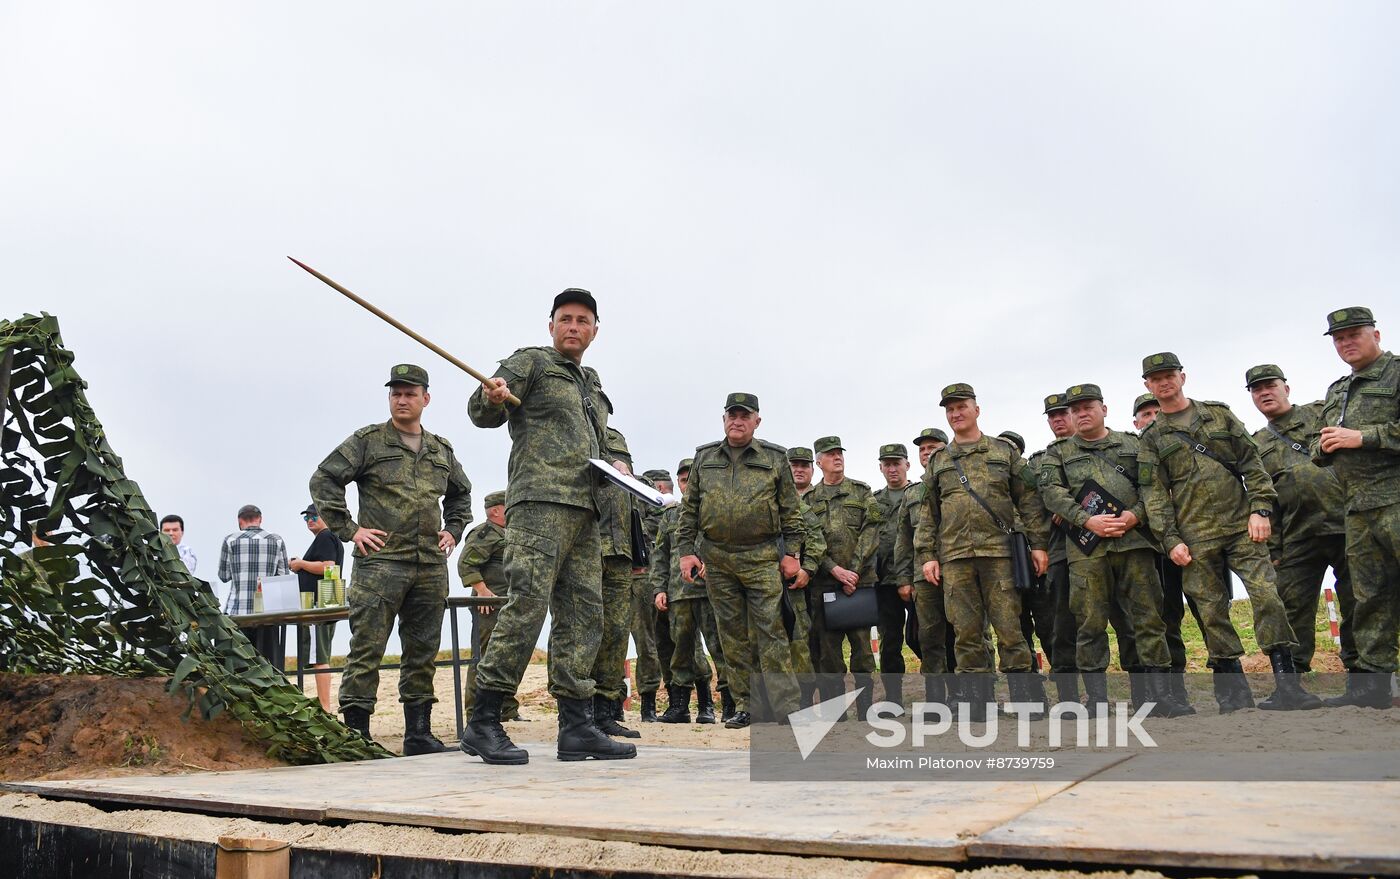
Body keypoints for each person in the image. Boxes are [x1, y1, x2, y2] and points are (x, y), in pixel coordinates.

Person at [462, 288, 636, 764]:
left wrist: (618, 460)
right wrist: (491, 395)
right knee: (527, 607)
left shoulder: (590, 382)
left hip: (587, 510)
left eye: (583, 320)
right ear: (551, 325)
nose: (573, 326)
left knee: (584, 614)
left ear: (595, 330)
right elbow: (483, 409)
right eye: (565, 318)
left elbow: (602, 437)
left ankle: (577, 726)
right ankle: (484, 720)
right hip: (540, 503)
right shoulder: (532, 362)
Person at [1137, 352, 1319, 712]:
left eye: (1169, 375)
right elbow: (1154, 496)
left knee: (1268, 596)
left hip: (1242, 528)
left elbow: (1252, 465)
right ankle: (1233, 694)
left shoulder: (1217, 415)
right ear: (1148, 385)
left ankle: (1287, 684)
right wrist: (1170, 540)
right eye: (1155, 378)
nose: (1164, 382)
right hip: (1194, 537)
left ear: (1182, 377)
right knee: (1211, 612)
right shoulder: (1152, 438)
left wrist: (1261, 509)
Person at [310, 364, 473, 754]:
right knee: (366, 649)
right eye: (396, 393)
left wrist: (454, 529)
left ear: (425, 399)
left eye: (410, 393)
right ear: (389, 398)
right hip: (380, 563)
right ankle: (356, 736)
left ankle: (418, 734)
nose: (402, 399)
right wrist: (349, 529)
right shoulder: (368, 442)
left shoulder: (441, 450)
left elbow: (461, 494)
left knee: (423, 652)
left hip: (430, 566)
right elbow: (324, 479)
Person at [1038, 384, 1192, 717]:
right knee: (1090, 624)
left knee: (1147, 620)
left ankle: (1155, 697)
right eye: (1075, 409)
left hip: (1134, 545)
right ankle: (1095, 700)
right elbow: (1052, 494)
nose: (1082, 413)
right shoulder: (1058, 453)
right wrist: (1086, 520)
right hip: (1087, 551)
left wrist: (1136, 514)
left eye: (1088, 407)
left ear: (1104, 409)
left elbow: (1151, 486)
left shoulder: (1133, 445)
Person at [915, 384, 1050, 721]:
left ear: (977, 409)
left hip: (999, 555)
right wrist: (927, 555)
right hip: (955, 558)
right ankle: (978, 704)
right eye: (950, 409)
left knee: (1010, 629)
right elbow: (928, 512)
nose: (956, 413)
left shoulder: (1003, 452)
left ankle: (1025, 700)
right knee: (966, 632)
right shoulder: (940, 461)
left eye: (962, 406)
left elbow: (1030, 500)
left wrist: (1038, 545)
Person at [677, 393, 805, 728]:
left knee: (772, 633)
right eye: (732, 415)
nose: (737, 421)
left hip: (762, 558)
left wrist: (792, 555)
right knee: (731, 636)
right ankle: (746, 705)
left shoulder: (775, 458)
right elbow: (689, 511)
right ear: (723, 420)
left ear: (756, 421)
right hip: (718, 560)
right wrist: (686, 552)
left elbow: (792, 511)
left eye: (744, 416)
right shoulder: (705, 457)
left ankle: (786, 707)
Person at [1312, 307, 1398, 709]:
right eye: (1338, 338)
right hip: (1358, 509)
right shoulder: (1337, 389)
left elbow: (1360, 437)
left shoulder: (1396, 373)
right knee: (1368, 597)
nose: (1346, 343)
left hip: (1396, 499)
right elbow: (1323, 443)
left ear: (1376, 334)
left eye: (1354, 335)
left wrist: (1364, 437)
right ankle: (1373, 688)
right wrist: (1324, 446)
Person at [1246, 364, 1354, 674]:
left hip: (1346, 525)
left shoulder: (1320, 413)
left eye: (1271, 385)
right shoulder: (1258, 444)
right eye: (1257, 389)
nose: (1265, 392)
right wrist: (1274, 551)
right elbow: (1262, 495)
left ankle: (1364, 675)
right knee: (1291, 607)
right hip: (1297, 536)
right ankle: (1292, 681)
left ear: (1286, 388)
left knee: (1359, 602)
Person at [805, 435, 881, 719]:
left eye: (840, 453)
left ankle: (865, 709)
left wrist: (854, 571)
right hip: (824, 586)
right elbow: (809, 540)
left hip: (858, 586)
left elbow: (871, 531)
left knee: (862, 651)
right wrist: (833, 569)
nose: (837, 457)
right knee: (828, 655)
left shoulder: (862, 492)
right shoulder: (809, 500)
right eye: (830, 454)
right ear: (819, 461)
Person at [1134, 392, 1203, 688]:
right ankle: (1175, 681)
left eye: (1156, 412)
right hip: (1155, 548)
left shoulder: (1185, 445)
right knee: (1165, 616)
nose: (1152, 418)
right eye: (1145, 414)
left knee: (1209, 609)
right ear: (1136, 422)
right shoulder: (1132, 453)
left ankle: (1228, 673)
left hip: (1196, 539)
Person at [895, 427, 968, 707]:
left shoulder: (959, 481)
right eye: (922, 449)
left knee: (966, 633)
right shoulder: (912, 493)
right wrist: (903, 578)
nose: (927, 453)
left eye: (933, 447)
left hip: (958, 568)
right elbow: (903, 538)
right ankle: (937, 698)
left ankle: (966, 693)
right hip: (922, 575)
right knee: (930, 637)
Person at [651, 460, 723, 724]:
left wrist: (714, 566)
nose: (687, 484)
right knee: (681, 652)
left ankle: (724, 705)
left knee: (720, 649)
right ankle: (679, 707)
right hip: (679, 594)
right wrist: (659, 588)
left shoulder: (717, 510)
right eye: (682, 480)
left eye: (691, 479)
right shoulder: (670, 516)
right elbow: (659, 556)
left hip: (712, 591)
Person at [588, 428, 645, 737]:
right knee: (583, 631)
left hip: (620, 549)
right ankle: (578, 713)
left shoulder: (615, 436)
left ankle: (606, 711)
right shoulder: (572, 424)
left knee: (616, 633)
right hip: (586, 546)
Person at [457, 490, 518, 722]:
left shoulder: (508, 532)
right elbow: (466, 564)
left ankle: (508, 710)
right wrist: (482, 592)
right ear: (495, 510)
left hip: (508, 603)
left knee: (508, 657)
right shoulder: (485, 533)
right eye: (508, 505)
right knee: (483, 657)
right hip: (489, 606)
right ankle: (475, 713)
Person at [217, 504, 290, 667]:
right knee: (267, 668)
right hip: (267, 613)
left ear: (239, 521)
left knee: (238, 670)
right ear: (260, 519)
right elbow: (284, 576)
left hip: (237, 613)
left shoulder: (230, 540)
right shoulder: (276, 540)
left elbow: (224, 576)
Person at [289, 503, 344, 712]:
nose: (310, 520)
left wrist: (301, 564)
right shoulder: (329, 537)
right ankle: (325, 706)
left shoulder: (325, 536)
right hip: (327, 601)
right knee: (321, 657)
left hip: (318, 604)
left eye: (314, 516)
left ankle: (325, 707)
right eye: (306, 518)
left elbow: (328, 566)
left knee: (319, 658)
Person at [873, 443, 915, 708]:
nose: (892, 469)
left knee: (925, 638)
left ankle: (943, 692)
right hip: (885, 582)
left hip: (919, 577)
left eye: (896, 463)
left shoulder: (919, 493)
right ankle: (894, 699)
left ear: (907, 465)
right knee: (890, 642)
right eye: (887, 464)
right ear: (880, 468)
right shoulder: (875, 502)